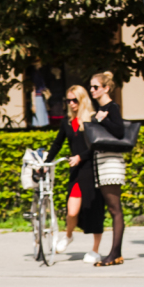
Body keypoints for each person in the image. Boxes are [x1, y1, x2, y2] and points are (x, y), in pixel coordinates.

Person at [46, 85, 107, 262]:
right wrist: (46, 162)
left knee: (95, 210)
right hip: (77, 172)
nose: (71, 104)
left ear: (83, 100)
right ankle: (69, 235)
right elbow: (57, 144)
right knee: (72, 212)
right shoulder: (67, 122)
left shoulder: (93, 120)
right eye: (68, 100)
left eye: (75, 100)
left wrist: (80, 156)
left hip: (92, 170)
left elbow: (96, 146)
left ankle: (95, 250)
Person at [90, 72, 127, 267]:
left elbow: (120, 131)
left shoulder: (112, 107)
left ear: (106, 88)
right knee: (111, 208)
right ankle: (114, 252)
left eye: (96, 87)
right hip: (101, 162)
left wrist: (103, 120)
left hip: (111, 162)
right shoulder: (100, 109)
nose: (92, 90)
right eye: (91, 87)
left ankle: (115, 252)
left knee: (115, 208)